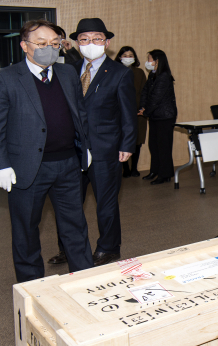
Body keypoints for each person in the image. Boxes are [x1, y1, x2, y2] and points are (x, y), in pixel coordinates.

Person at [0, 19, 93, 282]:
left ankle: (85, 281)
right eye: (42, 44)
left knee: (75, 227)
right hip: (27, 168)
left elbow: (80, 114)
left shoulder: (67, 74)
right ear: (24, 45)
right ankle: (32, 287)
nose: (49, 49)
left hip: (67, 164)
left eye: (55, 44)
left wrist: (85, 146)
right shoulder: (5, 79)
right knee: (26, 231)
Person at [48, 18, 137, 267]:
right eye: (84, 39)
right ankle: (68, 247)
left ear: (106, 42)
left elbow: (128, 114)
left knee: (106, 203)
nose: (90, 43)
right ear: (77, 43)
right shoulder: (66, 70)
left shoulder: (120, 73)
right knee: (67, 204)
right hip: (71, 150)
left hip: (105, 149)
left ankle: (108, 247)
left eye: (97, 38)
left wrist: (127, 145)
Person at [139, 49, 177, 185]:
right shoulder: (153, 75)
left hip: (165, 116)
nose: (148, 62)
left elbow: (156, 98)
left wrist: (146, 112)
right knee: (153, 145)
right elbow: (145, 92)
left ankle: (165, 174)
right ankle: (155, 170)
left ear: (157, 61)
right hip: (155, 115)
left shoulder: (164, 76)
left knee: (163, 146)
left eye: (149, 59)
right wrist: (142, 107)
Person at [115, 46, 147, 178]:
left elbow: (144, 91)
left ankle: (134, 168)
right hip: (119, 112)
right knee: (122, 139)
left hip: (137, 112)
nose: (128, 58)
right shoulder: (115, 71)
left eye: (130, 55)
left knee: (137, 140)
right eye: (125, 55)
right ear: (119, 57)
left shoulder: (139, 72)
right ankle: (125, 168)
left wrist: (143, 107)